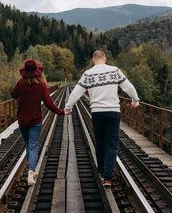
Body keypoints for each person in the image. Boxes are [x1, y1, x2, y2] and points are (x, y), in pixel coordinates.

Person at [64, 50, 140, 187]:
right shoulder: (115, 71)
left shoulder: (88, 73)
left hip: (97, 113)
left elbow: (77, 91)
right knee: (112, 144)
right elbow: (128, 87)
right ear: (104, 58)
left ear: (93, 59)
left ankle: (100, 170)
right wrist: (135, 100)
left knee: (100, 142)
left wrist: (68, 107)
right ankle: (108, 177)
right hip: (113, 112)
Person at [11, 59, 65, 185]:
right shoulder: (41, 85)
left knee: (28, 145)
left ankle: (31, 168)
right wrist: (61, 112)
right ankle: (31, 171)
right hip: (35, 121)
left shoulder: (20, 83)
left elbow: (13, 95)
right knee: (33, 145)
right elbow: (49, 103)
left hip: (23, 121)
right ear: (37, 72)